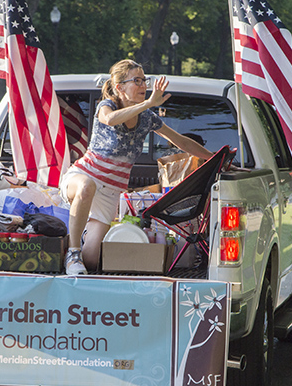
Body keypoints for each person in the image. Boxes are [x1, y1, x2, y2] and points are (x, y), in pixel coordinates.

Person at [59, 59, 213, 275]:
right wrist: (148, 104)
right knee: (86, 188)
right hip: (83, 176)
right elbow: (110, 120)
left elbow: (182, 142)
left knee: (92, 260)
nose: (144, 86)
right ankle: (72, 252)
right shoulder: (107, 105)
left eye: (145, 80)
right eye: (137, 81)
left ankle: (78, 237)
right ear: (120, 87)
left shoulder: (147, 118)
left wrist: (214, 157)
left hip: (109, 192)